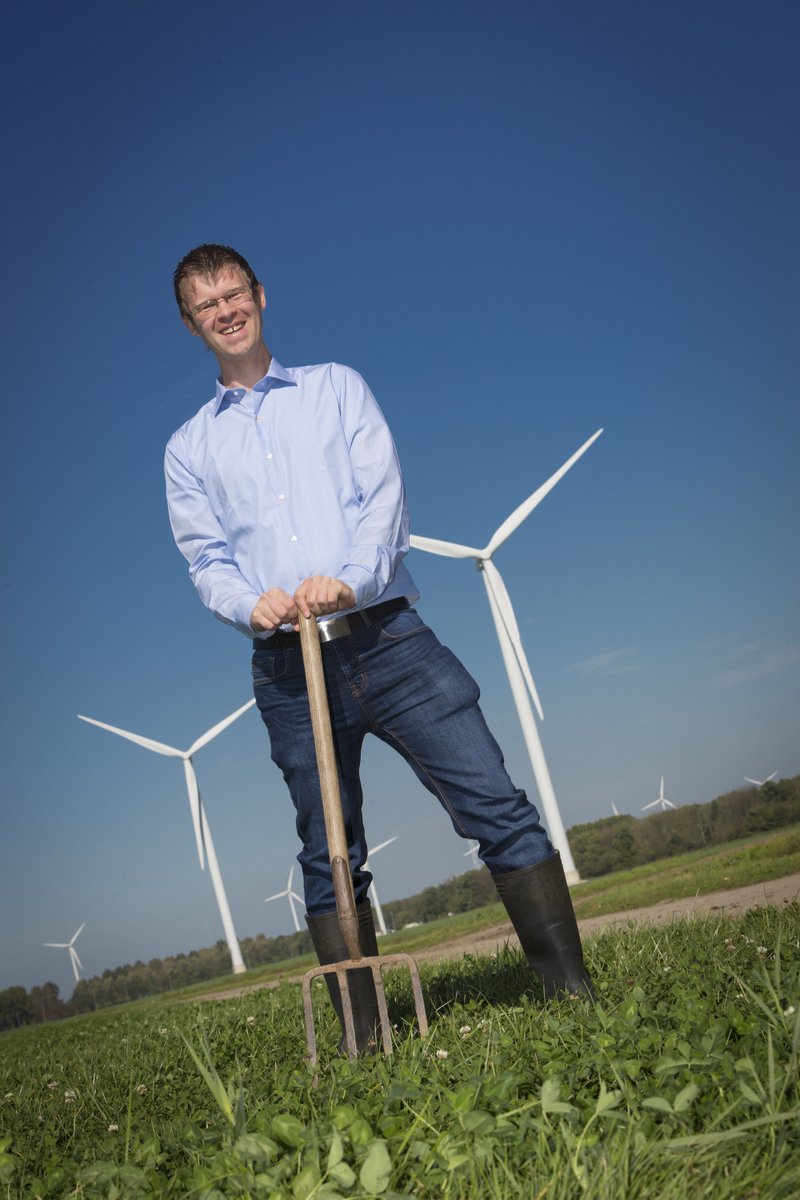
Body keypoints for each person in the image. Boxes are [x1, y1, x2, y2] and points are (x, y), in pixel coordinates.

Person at [165, 243, 593, 1049]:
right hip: (288, 669)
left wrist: (352, 579)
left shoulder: (336, 388)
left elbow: (382, 500)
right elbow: (205, 557)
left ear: (260, 294)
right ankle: (365, 1042)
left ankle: (572, 997)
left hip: (389, 639)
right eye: (205, 304)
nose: (225, 310)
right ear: (191, 325)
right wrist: (246, 603)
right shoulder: (188, 448)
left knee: (495, 806)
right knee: (329, 855)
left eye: (234, 293)